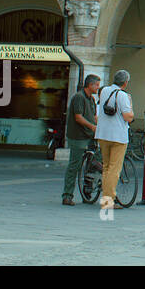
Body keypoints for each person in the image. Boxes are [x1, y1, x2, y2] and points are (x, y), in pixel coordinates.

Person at [94, 70, 134, 210]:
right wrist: (131, 106)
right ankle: (108, 200)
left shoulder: (104, 91)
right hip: (118, 136)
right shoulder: (123, 95)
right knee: (114, 169)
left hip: (103, 134)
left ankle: (106, 197)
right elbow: (128, 117)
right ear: (125, 82)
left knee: (105, 167)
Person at [62, 74, 100, 205]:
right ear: (90, 85)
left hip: (89, 136)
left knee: (93, 164)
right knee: (75, 165)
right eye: (96, 85)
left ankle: (87, 193)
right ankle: (67, 195)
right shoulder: (79, 97)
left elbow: (95, 116)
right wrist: (92, 127)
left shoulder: (91, 99)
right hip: (78, 136)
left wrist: (100, 127)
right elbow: (78, 117)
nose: (98, 88)